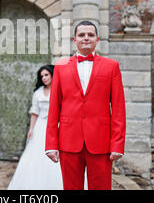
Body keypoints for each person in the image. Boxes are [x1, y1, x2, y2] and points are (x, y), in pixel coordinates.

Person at [45, 20, 126, 190]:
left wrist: (117, 144)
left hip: (101, 141)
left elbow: (118, 109)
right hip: (68, 141)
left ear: (97, 39)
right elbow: (54, 108)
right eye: (81, 35)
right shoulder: (60, 68)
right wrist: (51, 144)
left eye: (90, 35)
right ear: (74, 40)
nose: (86, 38)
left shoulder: (111, 67)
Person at [8, 65, 63, 190]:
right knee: (36, 155)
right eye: (42, 76)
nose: (44, 78)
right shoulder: (38, 93)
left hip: (57, 126)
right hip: (41, 126)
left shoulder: (61, 90)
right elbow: (35, 112)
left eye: (46, 75)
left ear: (53, 74)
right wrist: (31, 129)